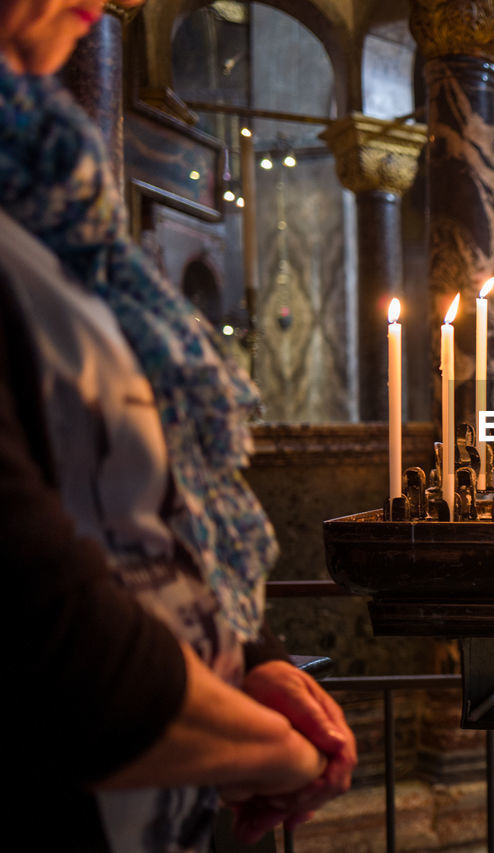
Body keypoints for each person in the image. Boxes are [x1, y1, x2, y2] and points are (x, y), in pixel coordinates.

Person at [0, 1, 357, 849]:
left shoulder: (58, 218)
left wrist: (252, 656)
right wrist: (270, 750)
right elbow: (47, 640)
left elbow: (143, 501)